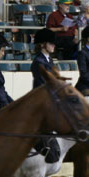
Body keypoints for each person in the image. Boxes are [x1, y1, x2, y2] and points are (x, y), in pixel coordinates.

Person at [29, 27, 60, 163]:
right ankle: (42, 144)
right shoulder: (38, 62)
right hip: (42, 97)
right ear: (43, 44)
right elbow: (44, 85)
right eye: (51, 43)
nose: (54, 45)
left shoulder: (49, 60)